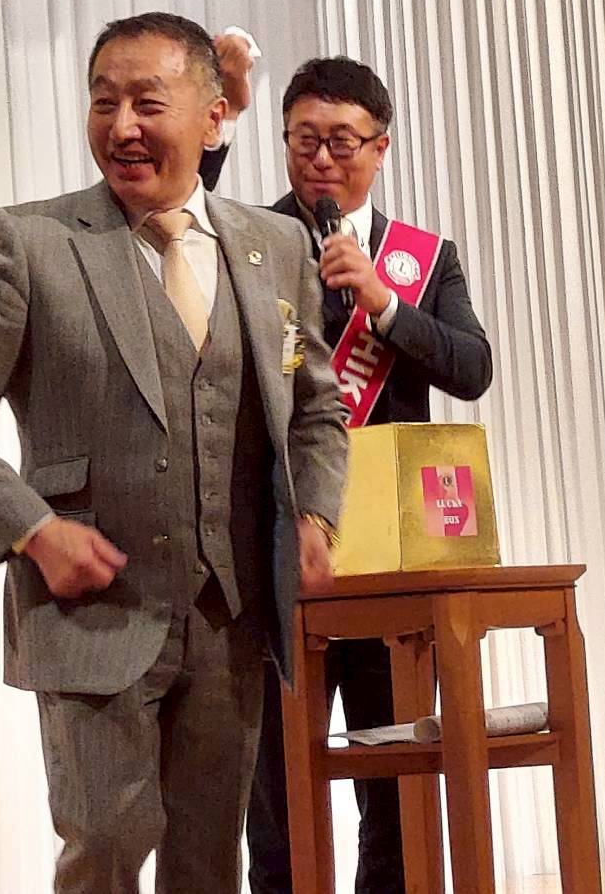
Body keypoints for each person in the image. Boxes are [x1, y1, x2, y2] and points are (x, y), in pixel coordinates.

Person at [0, 12, 349, 894]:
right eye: (104, 103)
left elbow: (315, 406)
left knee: (208, 866)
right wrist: (34, 530)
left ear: (214, 118)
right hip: (92, 619)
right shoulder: (31, 244)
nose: (122, 126)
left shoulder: (277, 247)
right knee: (104, 849)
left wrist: (318, 515)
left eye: (148, 102)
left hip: (230, 621)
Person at [203, 55, 493, 893]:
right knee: (277, 791)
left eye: (341, 142)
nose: (322, 160)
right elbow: (176, 225)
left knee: (394, 775)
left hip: (387, 548)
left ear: (380, 147)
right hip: (279, 538)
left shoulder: (421, 259)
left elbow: (472, 368)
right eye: (304, 141)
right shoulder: (245, 239)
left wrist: (385, 305)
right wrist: (217, 127)